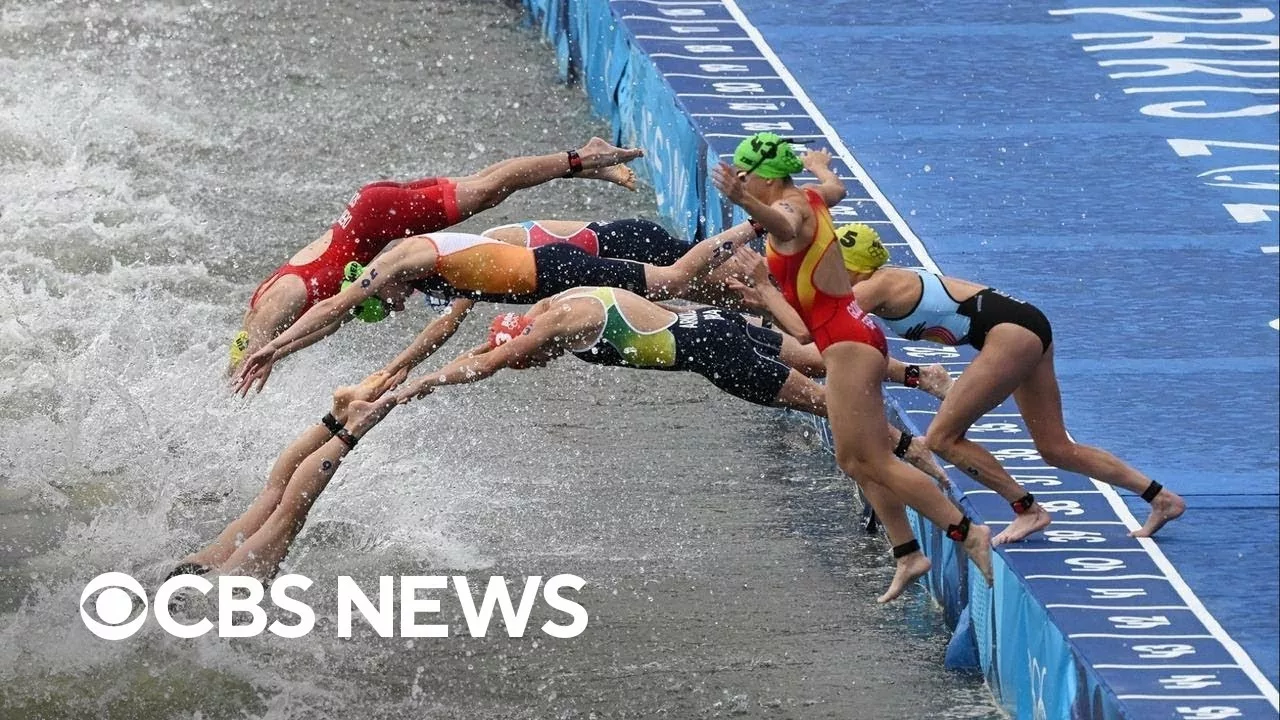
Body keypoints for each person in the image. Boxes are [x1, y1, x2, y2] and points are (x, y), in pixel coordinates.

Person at [394, 287, 947, 602]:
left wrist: (418, 386)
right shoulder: (552, 307)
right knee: (822, 356)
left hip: (716, 357)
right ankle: (920, 375)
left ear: (530, 341)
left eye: (530, 359)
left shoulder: (552, 329)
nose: (536, 364)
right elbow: (490, 353)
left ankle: (910, 449)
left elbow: (489, 363)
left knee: (831, 405)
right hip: (718, 325)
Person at [712, 133, 993, 588]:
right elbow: (837, 191)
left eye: (745, 177)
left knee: (874, 461)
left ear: (761, 177)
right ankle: (907, 554)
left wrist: (764, 286)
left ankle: (967, 532)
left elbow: (800, 321)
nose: (743, 184)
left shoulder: (789, 208)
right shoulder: (811, 195)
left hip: (845, 344)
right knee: (858, 460)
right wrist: (821, 166)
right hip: (851, 336)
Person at [833, 222, 1186, 541]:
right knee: (1055, 448)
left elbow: (821, 329)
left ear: (852, 267)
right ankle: (1160, 497)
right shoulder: (883, 278)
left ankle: (1028, 509)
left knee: (942, 439)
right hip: (1025, 324)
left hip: (1009, 335)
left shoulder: (874, 286)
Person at [229, 137, 644, 371]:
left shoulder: (286, 299)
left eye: (386, 305)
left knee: (486, 191)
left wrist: (262, 355)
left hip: (378, 215)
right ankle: (589, 164)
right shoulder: (292, 315)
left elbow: (298, 321)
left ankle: (582, 157)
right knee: (485, 185)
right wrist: (274, 354)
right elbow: (326, 325)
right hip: (374, 213)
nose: (398, 307)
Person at [233, 219, 764, 394]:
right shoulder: (431, 272)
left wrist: (274, 348)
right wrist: (397, 369)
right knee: (692, 290)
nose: (394, 309)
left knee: (674, 278)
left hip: (560, 270)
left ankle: (754, 228)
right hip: (551, 280)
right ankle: (765, 298)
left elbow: (338, 307)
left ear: (376, 280)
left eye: (385, 304)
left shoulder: (402, 262)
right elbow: (441, 330)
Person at [171, 376, 399, 581]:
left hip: (200, 598)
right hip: (189, 586)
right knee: (274, 500)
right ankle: (337, 420)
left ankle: (347, 424)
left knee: (284, 514)